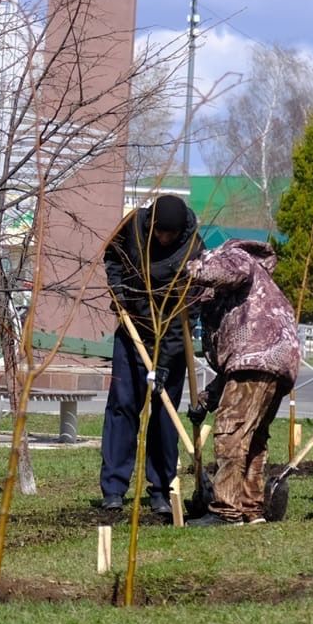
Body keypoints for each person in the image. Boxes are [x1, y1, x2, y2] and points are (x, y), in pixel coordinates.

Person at [183, 240, 302, 525]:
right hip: (275, 361)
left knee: (231, 432)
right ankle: (251, 508)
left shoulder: (233, 257)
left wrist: (189, 270)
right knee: (253, 436)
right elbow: (233, 367)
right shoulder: (242, 298)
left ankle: (227, 511)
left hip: (260, 357)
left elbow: (232, 269)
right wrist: (207, 400)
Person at [101, 192, 200, 517]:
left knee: (164, 416)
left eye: (167, 234)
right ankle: (114, 489)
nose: (161, 238)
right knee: (123, 408)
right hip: (131, 332)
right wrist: (118, 292)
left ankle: (160, 490)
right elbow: (112, 258)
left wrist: (165, 366)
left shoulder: (193, 249)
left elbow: (187, 314)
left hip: (170, 338)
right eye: (158, 231)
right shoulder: (132, 226)